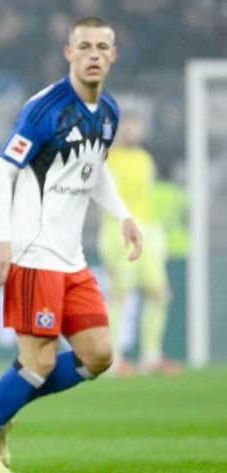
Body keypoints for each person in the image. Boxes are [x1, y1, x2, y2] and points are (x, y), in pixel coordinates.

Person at [0, 16, 143, 473]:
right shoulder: (46, 109)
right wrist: (3, 238)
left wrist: (123, 216)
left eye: (103, 47)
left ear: (113, 55)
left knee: (98, 355)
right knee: (36, 363)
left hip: (72, 258)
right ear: (69, 53)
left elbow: (93, 169)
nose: (94, 54)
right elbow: (2, 172)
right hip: (33, 253)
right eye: (85, 47)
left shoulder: (109, 112)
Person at [97, 112, 179, 375]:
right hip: (118, 231)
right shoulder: (108, 159)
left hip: (149, 231)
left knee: (159, 293)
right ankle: (113, 358)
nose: (133, 131)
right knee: (120, 294)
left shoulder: (145, 159)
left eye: (136, 126)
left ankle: (150, 356)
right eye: (128, 127)